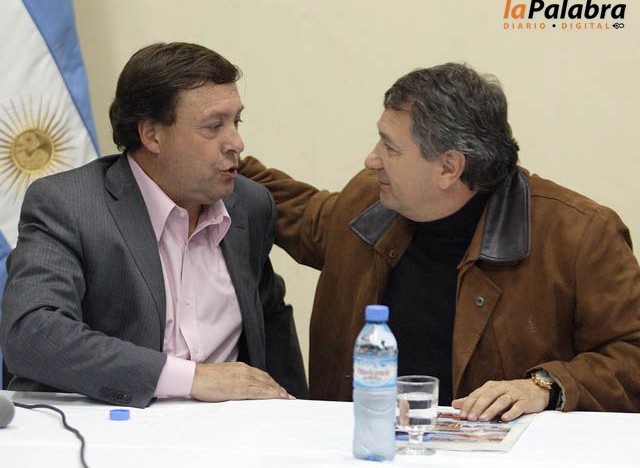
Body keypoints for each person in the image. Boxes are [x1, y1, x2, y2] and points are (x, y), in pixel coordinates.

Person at [240, 63, 640, 421]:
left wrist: (545, 387)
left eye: (390, 147)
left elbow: (631, 354)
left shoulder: (580, 234)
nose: (371, 159)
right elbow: (293, 206)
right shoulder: (367, 204)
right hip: (367, 450)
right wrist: (218, 156)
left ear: (449, 167)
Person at [0, 42, 307, 408]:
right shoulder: (69, 205)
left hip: (226, 431)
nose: (237, 143)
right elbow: (33, 334)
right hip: (106, 426)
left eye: (236, 122)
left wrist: (297, 415)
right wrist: (191, 379)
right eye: (214, 127)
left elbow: (272, 324)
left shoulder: (250, 206)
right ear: (152, 135)